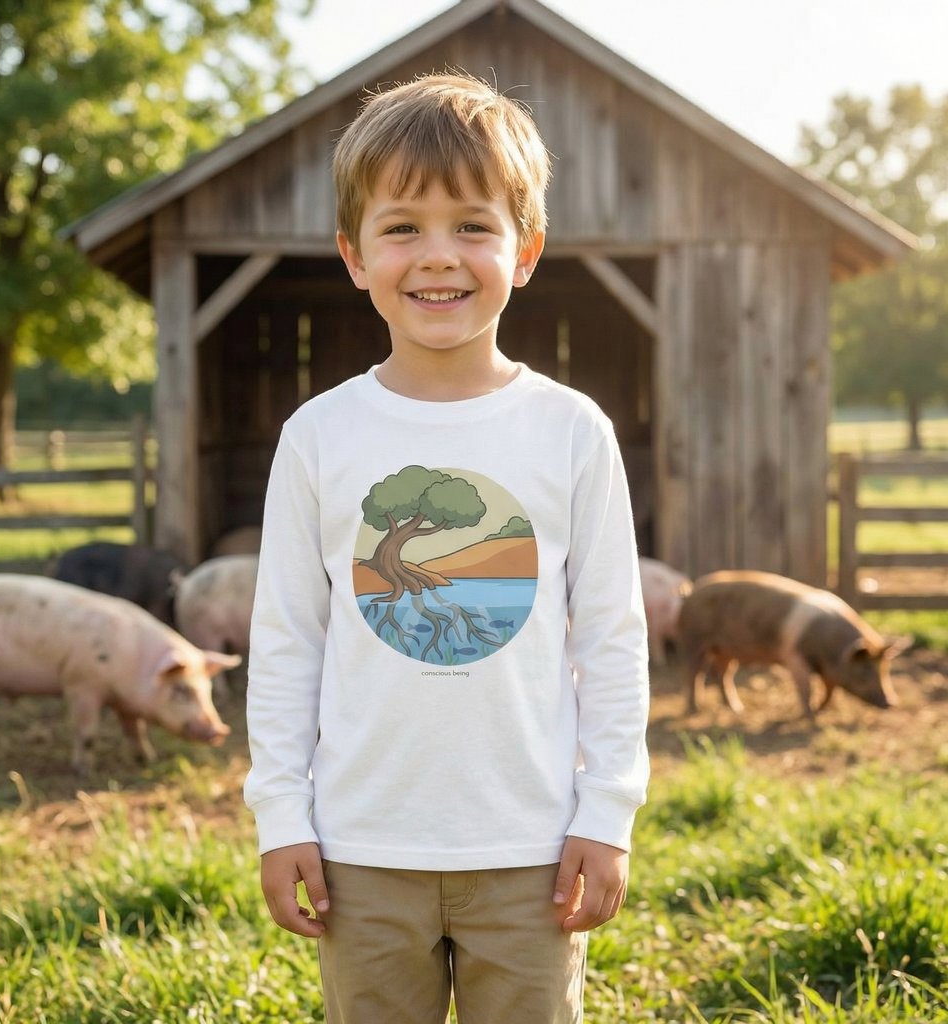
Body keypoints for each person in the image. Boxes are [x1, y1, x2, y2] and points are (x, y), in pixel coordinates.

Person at [244, 72, 650, 1024]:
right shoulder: (320, 436)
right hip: (361, 850)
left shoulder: (570, 431)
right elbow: (287, 640)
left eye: (473, 226)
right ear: (353, 255)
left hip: (532, 851)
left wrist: (607, 813)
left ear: (526, 251)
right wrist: (280, 815)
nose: (439, 257)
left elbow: (612, 638)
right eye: (402, 228)